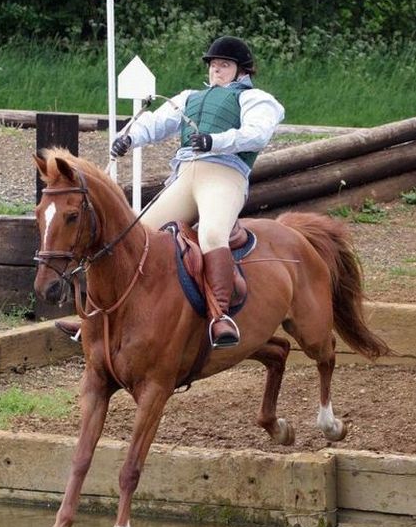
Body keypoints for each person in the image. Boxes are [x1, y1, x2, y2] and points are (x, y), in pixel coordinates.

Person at [57, 35, 284, 348]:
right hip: (186, 175)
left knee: (212, 235)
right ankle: (94, 315)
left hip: (224, 175)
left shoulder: (255, 99)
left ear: (242, 71)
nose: (216, 70)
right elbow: (155, 122)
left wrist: (214, 141)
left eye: (224, 65)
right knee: (132, 236)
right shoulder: (190, 97)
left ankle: (220, 316)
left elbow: (257, 134)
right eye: (214, 65)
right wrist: (129, 137)